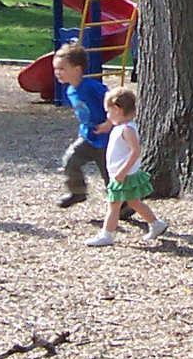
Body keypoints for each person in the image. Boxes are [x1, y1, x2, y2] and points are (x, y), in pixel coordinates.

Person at [86, 86, 169, 246]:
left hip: (123, 175)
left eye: (108, 112)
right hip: (122, 174)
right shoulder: (121, 128)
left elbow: (135, 151)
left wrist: (122, 172)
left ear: (117, 109)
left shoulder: (127, 129)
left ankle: (107, 234)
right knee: (134, 202)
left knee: (114, 205)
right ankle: (156, 224)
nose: (108, 116)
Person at [51, 42, 111, 208]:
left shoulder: (93, 88)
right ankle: (77, 191)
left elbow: (115, 102)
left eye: (62, 69)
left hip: (106, 139)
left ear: (77, 69)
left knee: (109, 175)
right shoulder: (70, 90)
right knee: (70, 159)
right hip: (88, 137)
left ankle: (123, 205)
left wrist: (110, 122)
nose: (58, 73)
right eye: (56, 69)